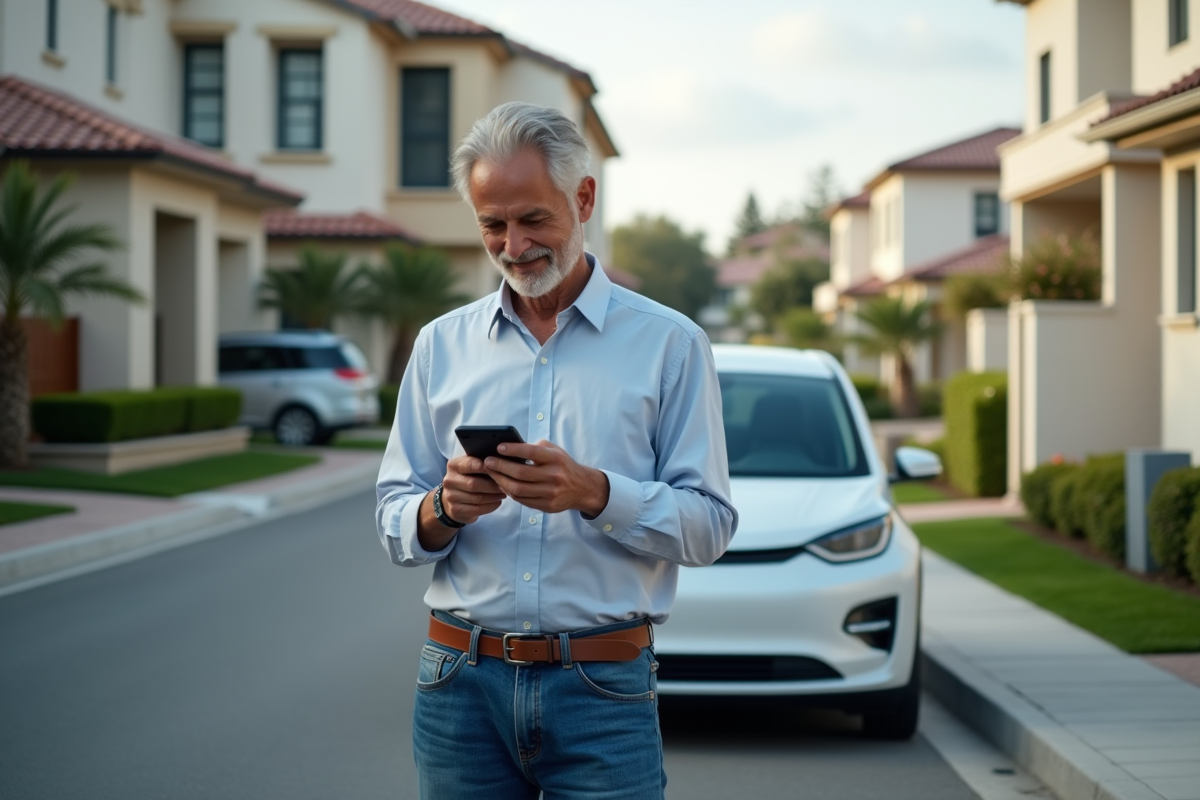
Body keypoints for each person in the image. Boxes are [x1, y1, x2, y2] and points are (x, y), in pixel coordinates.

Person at [375, 102, 737, 800]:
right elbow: (394, 522)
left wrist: (596, 493)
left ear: (585, 198)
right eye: (492, 225)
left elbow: (710, 526)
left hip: (602, 688)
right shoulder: (439, 346)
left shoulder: (671, 344)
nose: (513, 245)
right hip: (457, 687)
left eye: (533, 219)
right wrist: (443, 508)